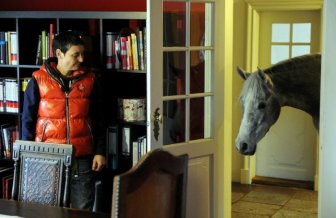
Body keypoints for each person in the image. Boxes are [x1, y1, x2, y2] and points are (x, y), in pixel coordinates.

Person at [21, 31, 106, 211]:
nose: (81, 59)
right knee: (46, 206)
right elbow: (27, 119)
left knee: (83, 207)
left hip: (82, 155)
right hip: (47, 154)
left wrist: (100, 151)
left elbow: (99, 118)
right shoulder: (38, 79)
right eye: (76, 54)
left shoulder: (90, 80)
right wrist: (27, 154)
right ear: (59, 54)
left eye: (82, 54)